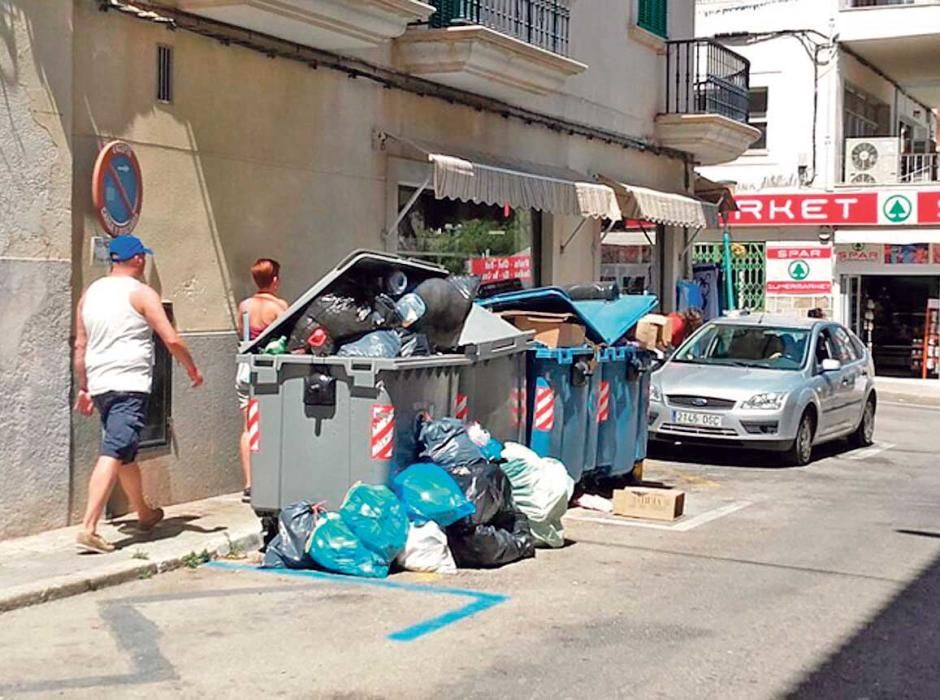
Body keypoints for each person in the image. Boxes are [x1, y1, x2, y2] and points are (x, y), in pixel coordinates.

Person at [74, 235, 203, 554]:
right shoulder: (142, 293)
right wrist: (192, 368)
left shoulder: (90, 294)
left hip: (101, 383)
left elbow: (80, 345)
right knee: (115, 448)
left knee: (125, 450)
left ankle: (145, 513)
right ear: (139, 260)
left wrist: (84, 386)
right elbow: (171, 339)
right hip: (128, 382)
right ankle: (88, 527)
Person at [236, 259, 288, 503]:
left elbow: (242, 334)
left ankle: (249, 484)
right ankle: (274, 478)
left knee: (248, 427)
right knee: (272, 426)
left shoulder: (244, 306)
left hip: (245, 369)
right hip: (268, 372)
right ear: (275, 280)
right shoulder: (279, 306)